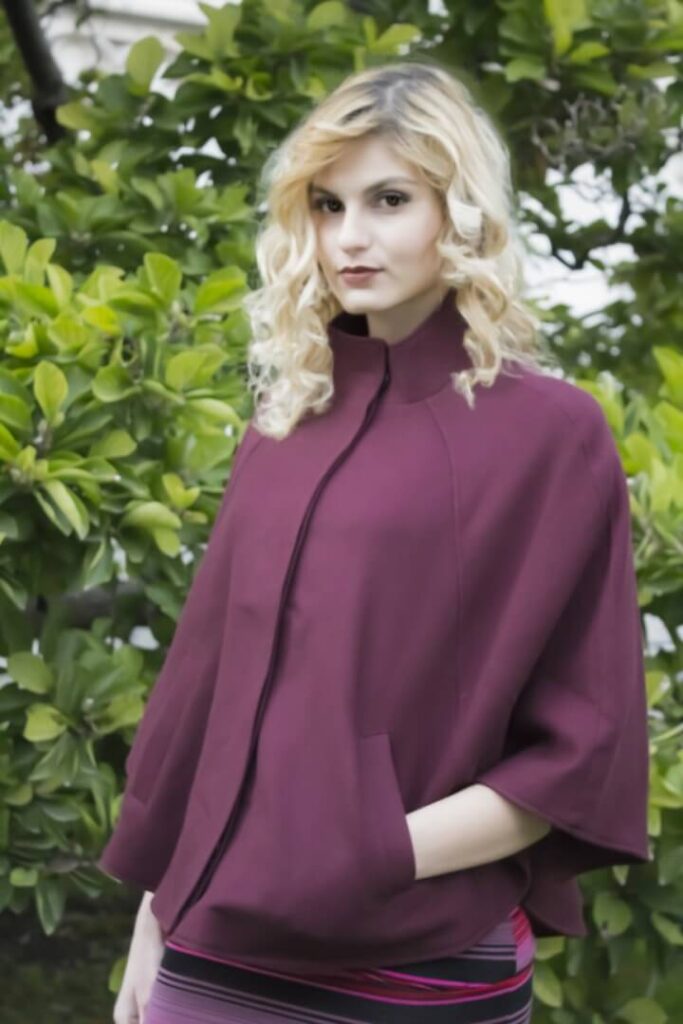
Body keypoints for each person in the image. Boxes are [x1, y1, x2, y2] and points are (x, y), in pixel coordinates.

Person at [102, 60, 651, 1024]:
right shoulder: (286, 422)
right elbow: (205, 691)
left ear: (457, 211)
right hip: (218, 942)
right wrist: (155, 908)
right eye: (327, 205)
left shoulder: (549, 435)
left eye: (389, 200)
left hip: (423, 954)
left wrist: (371, 850)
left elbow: (581, 743)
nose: (349, 237)